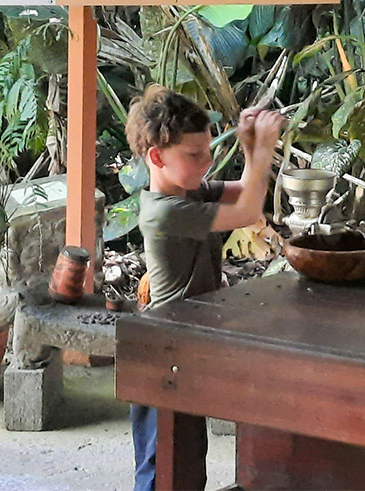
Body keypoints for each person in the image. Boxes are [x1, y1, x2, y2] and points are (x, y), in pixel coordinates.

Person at [124, 85, 284, 491]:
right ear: (157, 157)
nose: (207, 162)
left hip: (183, 344)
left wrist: (251, 148)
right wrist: (263, 148)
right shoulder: (166, 212)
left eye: (208, 151)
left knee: (187, 459)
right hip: (162, 352)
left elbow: (247, 197)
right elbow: (247, 211)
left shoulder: (187, 192)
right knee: (162, 471)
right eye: (194, 155)